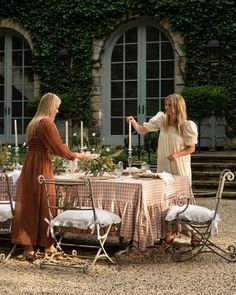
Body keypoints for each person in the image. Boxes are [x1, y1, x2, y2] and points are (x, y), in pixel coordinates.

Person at [11, 93, 88, 259]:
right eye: (56, 106)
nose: (58, 110)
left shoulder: (34, 122)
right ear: (49, 106)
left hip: (31, 163)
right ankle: (47, 245)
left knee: (31, 203)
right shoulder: (46, 123)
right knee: (47, 201)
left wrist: (63, 149)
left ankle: (29, 246)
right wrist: (76, 155)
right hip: (41, 166)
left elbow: (51, 146)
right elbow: (57, 147)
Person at [127, 93, 198, 183]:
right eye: (166, 104)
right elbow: (141, 130)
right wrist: (133, 122)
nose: (166, 107)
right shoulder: (162, 120)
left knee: (179, 193)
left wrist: (176, 155)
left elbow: (191, 148)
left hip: (179, 164)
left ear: (177, 107)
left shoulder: (186, 126)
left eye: (170, 105)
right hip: (164, 164)